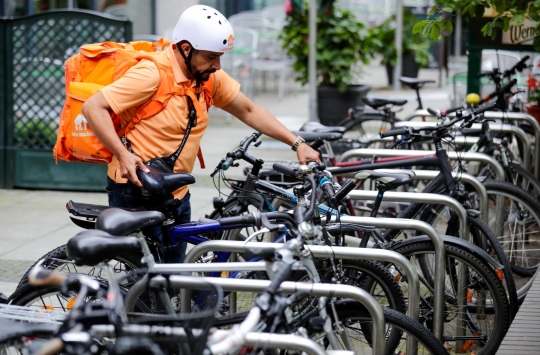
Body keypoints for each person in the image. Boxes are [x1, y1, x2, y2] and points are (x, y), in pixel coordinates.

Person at [81, 5, 320, 263]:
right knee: (146, 279)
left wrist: (297, 143)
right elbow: (93, 107)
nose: (217, 65)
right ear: (186, 49)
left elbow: (249, 110)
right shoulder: (152, 74)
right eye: (210, 57)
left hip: (176, 191)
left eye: (219, 57)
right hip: (136, 189)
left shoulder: (207, 77)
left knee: (172, 275)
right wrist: (123, 155)